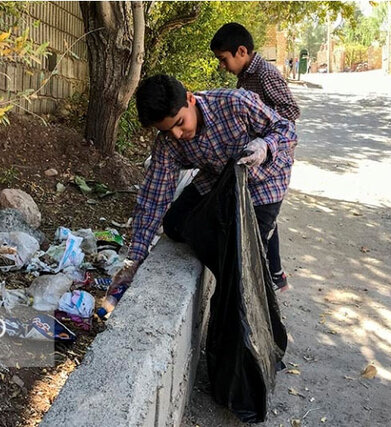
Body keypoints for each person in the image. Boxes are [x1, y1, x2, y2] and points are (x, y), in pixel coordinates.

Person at [109, 74, 297, 293]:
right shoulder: (168, 143)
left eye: (180, 123)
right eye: (166, 131)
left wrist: (265, 145)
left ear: (190, 99)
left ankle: (261, 257)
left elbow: (287, 129)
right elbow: (153, 201)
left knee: (244, 257)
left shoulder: (235, 103)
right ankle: (229, 235)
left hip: (264, 180)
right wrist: (134, 260)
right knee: (174, 225)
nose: (177, 135)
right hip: (216, 176)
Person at [210, 22, 300, 290]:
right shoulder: (247, 75)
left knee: (263, 216)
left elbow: (291, 112)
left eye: (223, 60)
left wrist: (264, 139)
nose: (222, 67)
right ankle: (277, 275)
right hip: (255, 160)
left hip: (271, 159)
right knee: (261, 215)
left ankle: (269, 281)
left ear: (241, 51)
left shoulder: (265, 75)